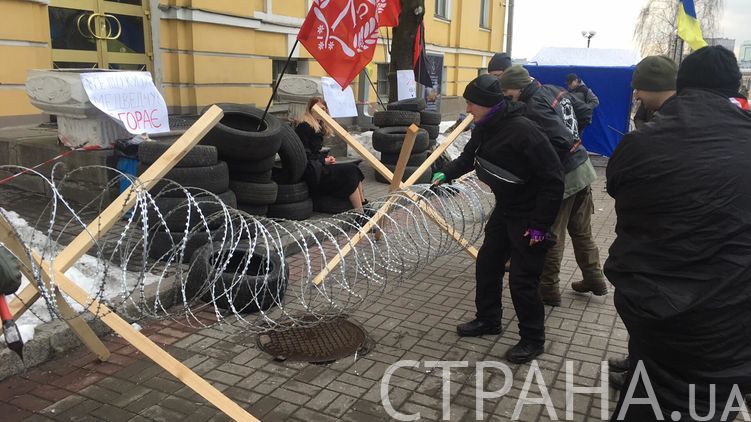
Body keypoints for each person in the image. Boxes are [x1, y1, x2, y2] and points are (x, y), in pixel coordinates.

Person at [605, 46, 751, 421]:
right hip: (732, 316)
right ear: (735, 86)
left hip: (656, 307)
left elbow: (618, 188)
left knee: (652, 394)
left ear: (681, 84)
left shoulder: (641, 142)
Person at [432, 74, 564, 363]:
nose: (467, 109)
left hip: (530, 216)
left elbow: (553, 180)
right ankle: (488, 320)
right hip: (506, 209)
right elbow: (469, 157)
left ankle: (532, 339)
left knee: (522, 280)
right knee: (488, 263)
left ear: (487, 104)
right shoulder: (484, 126)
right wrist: (448, 173)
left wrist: (541, 227)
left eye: (470, 103)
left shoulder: (525, 131)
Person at [499, 66, 608, 306]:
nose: (506, 96)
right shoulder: (553, 90)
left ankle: (547, 289)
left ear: (518, 87)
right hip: (583, 167)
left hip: (565, 176)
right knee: (582, 231)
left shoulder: (534, 106)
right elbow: (585, 112)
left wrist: (547, 166)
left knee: (551, 234)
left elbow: (559, 139)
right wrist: (576, 141)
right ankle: (595, 278)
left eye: (507, 91)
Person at [607, 54, 678, 391]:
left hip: (660, 238)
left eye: (640, 90)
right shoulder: (652, 114)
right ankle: (636, 362)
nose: (635, 96)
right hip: (650, 233)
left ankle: (642, 374)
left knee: (546, 237)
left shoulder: (672, 124)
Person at [294, 97, 367, 213]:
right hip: (312, 172)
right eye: (319, 108)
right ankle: (360, 214)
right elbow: (304, 154)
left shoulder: (318, 126)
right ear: (310, 109)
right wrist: (323, 161)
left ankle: (364, 206)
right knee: (349, 172)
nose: (322, 111)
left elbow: (315, 153)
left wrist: (325, 159)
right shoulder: (304, 126)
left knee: (354, 168)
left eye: (324, 109)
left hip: (318, 166)